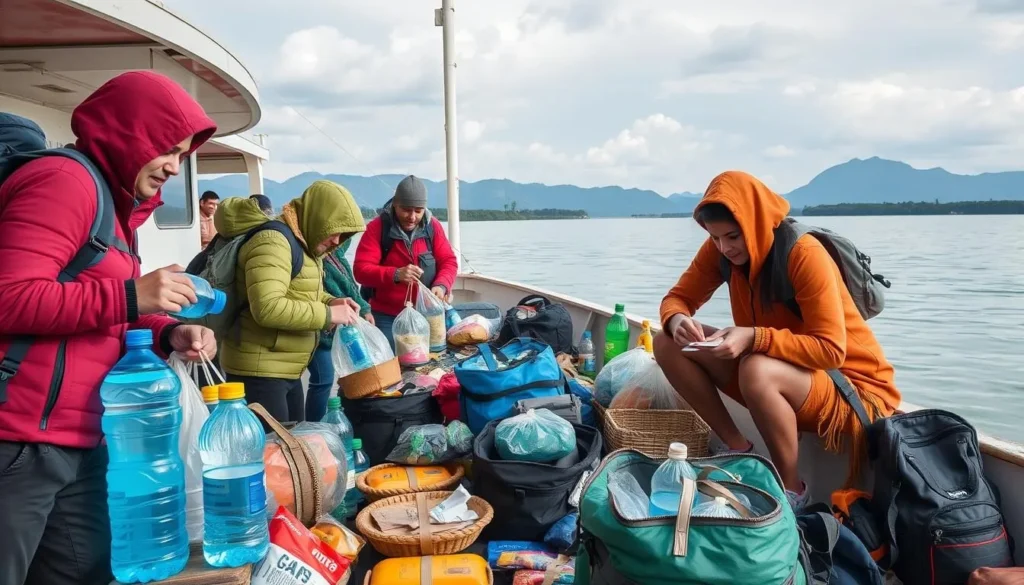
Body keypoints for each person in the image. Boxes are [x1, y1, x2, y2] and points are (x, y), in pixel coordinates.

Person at [0, 71, 219, 585]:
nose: (173, 165)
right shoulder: (66, 181)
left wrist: (166, 331)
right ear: (130, 134)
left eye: (182, 155)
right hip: (19, 442)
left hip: (76, 440)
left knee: (86, 571)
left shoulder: (118, 209)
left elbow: (97, 307)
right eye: (167, 148)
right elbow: (9, 296)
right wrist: (130, 294)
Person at [653, 170, 901, 512]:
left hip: (852, 389)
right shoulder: (721, 251)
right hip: (786, 375)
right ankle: (739, 451)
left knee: (756, 367)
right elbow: (677, 298)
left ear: (754, 222)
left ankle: (793, 491)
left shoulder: (804, 253)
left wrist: (754, 337)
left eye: (733, 236)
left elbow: (831, 350)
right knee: (667, 341)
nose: (725, 248)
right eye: (715, 238)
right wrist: (678, 318)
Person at [216, 180, 366, 424]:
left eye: (345, 235)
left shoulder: (304, 242)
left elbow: (300, 293)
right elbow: (267, 307)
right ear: (319, 219)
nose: (338, 241)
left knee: (290, 450)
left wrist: (333, 301)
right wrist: (328, 315)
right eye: (335, 231)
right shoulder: (272, 241)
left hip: (285, 368)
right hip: (259, 372)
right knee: (273, 455)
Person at [353, 175, 458, 348]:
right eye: (406, 210)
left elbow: (449, 261)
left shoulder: (433, 227)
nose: (412, 216)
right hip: (388, 316)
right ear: (395, 204)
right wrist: (396, 274)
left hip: (428, 315)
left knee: (430, 363)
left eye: (418, 210)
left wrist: (442, 285)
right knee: (393, 367)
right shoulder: (377, 228)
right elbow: (360, 270)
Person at [306, 237, 374, 422]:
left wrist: (363, 307)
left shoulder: (336, 252)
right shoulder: (317, 256)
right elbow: (337, 289)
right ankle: (315, 426)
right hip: (320, 328)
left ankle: (321, 425)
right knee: (323, 379)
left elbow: (349, 285)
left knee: (335, 377)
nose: (337, 239)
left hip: (338, 323)